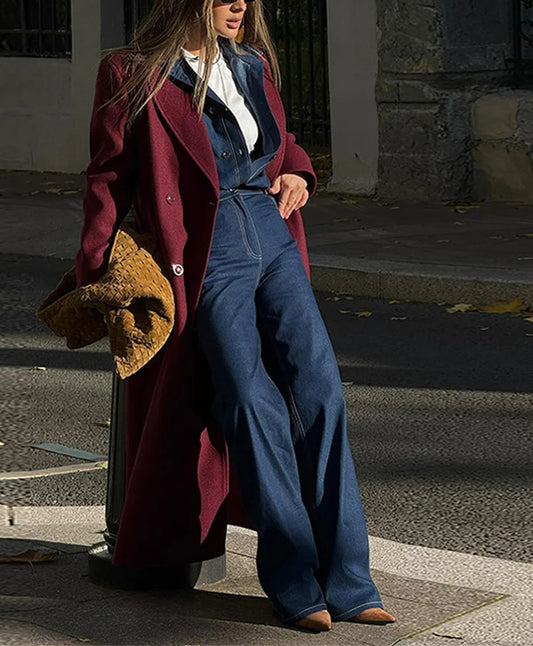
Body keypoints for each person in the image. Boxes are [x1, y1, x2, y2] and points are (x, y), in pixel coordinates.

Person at [75, 0, 395, 632]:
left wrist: (299, 170)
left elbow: (280, 140)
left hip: (271, 232)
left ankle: (351, 581)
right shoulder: (132, 72)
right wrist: (97, 265)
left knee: (322, 391)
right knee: (250, 399)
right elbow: (108, 173)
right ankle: (295, 580)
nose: (240, 4)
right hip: (206, 243)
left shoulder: (252, 65)